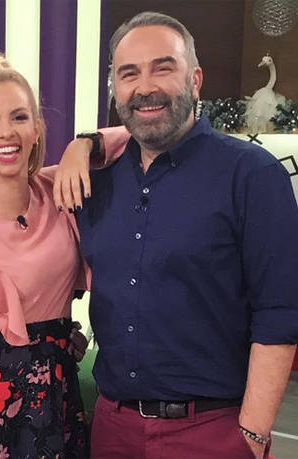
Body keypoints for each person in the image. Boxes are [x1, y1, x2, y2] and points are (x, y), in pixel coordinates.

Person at [57, 11, 298, 459]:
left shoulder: (251, 174)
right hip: (113, 429)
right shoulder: (96, 181)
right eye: (129, 73)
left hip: (213, 430)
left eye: (163, 68)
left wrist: (253, 434)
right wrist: (83, 142)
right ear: (115, 88)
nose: (145, 87)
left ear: (195, 80)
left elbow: (280, 311)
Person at [0, 51, 130, 459]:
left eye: (18, 117)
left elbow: (134, 136)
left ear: (36, 127)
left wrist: (83, 144)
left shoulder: (56, 191)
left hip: (58, 400)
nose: (6, 133)